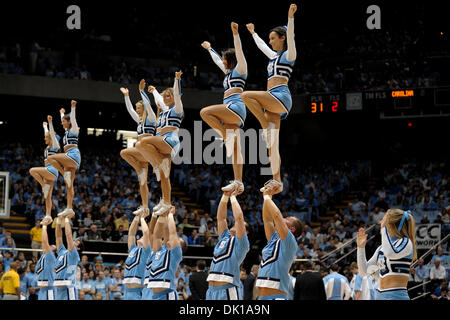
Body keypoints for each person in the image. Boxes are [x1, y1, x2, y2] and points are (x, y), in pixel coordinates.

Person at [242, 4, 298, 194]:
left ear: (282, 38)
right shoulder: (273, 56)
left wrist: (290, 18)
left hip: (281, 96)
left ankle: (264, 125)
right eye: (270, 39)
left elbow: (291, 36)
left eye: (273, 38)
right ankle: (277, 181)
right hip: (271, 101)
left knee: (246, 95)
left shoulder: (289, 54)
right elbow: (261, 46)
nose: (271, 41)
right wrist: (252, 33)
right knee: (271, 146)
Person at [200, 22, 247, 194]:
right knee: (236, 149)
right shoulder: (228, 73)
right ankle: (238, 182)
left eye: (226, 59)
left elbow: (240, 52)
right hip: (231, 111)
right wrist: (209, 49)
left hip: (236, 107)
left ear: (232, 60)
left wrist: (236, 34)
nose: (224, 61)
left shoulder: (241, 69)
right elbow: (217, 60)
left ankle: (224, 135)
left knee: (205, 112)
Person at [136, 71, 184, 216]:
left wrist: (177, 80)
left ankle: (156, 165)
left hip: (170, 140)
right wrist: (153, 91)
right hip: (162, 142)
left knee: (141, 143)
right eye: (165, 97)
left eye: (168, 96)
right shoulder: (163, 110)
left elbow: (176, 94)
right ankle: (166, 202)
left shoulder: (177, 108)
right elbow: (158, 100)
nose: (166, 98)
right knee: (164, 176)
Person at [357, 209, 417, 300]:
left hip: (397, 297)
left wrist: (383, 229)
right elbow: (364, 271)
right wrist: (360, 247)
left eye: (384, 220)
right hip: (379, 296)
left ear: (391, 224)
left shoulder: (406, 242)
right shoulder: (381, 248)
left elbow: (389, 253)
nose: (381, 222)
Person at [255, 184, 301, 300]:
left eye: (287, 219)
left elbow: (276, 216)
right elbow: (267, 220)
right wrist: (268, 198)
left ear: (292, 229)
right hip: (263, 294)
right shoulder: (275, 239)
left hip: (277, 296)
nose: (284, 218)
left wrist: (266, 196)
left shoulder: (290, 242)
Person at [119, 80, 158, 216]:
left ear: (144, 109)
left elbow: (147, 104)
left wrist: (142, 92)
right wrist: (126, 96)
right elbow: (129, 109)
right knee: (142, 181)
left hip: (147, 150)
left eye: (139, 108)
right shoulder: (139, 120)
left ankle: (153, 165)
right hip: (141, 154)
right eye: (137, 108)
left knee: (124, 152)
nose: (137, 110)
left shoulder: (151, 118)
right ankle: (145, 206)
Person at [206, 190, 250, 300]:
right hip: (211, 290)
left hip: (227, 289)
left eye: (239, 225)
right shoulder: (225, 237)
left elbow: (239, 218)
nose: (235, 224)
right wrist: (225, 196)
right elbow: (221, 218)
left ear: (245, 232)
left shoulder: (242, 243)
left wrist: (233, 197)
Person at [47, 100, 81, 217]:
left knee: (51, 158)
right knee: (69, 184)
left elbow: (73, 119)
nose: (61, 123)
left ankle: (62, 173)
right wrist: (62, 113)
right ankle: (69, 208)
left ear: (68, 122)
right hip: (68, 157)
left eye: (63, 121)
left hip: (73, 155)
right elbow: (66, 120)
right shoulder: (67, 132)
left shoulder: (74, 129)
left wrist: (73, 107)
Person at [29, 116, 60, 227]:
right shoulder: (47, 147)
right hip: (48, 172)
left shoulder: (55, 146)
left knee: (32, 170)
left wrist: (50, 123)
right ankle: (48, 215)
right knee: (48, 196)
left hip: (51, 170)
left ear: (51, 138)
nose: (44, 138)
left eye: (46, 137)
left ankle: (43, 185)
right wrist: (44, 126)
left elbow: (51, 134)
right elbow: (48, 133)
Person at [147, 206, 182, 300]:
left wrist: (170, 215)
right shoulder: (160, 251)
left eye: (179, 241)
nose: (177, 240)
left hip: (167, 295)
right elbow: (157, 236)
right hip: (155, 296)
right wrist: (162, 217)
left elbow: (172, 233)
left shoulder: (176, 254)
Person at [123, 208, 151, 300]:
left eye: (143, 237)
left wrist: (142, 218)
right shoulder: (133, 249)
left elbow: (146, 233)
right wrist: (137, 217)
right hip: (127, 292)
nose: (141, 236)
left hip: (138, 293)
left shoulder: (147, 251)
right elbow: (131, 234)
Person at [53, 213, 81, 300]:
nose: (74, 240)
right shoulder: (62, 251)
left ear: (78, 248)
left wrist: (67, 220)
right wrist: (58, 221)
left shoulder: (74, 255)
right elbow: (58, 237)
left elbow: (68, 236)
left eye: (76, 241)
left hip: (68, 289)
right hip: (59, 289)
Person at [35, 218, 57, 300]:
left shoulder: (51, 256)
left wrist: (44, 226)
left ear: (53, 252)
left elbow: (45, 241)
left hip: (49, 288)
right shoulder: (44, 254)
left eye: (52, 247)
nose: (50, 246)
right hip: (43, 287)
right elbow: (44, 243)